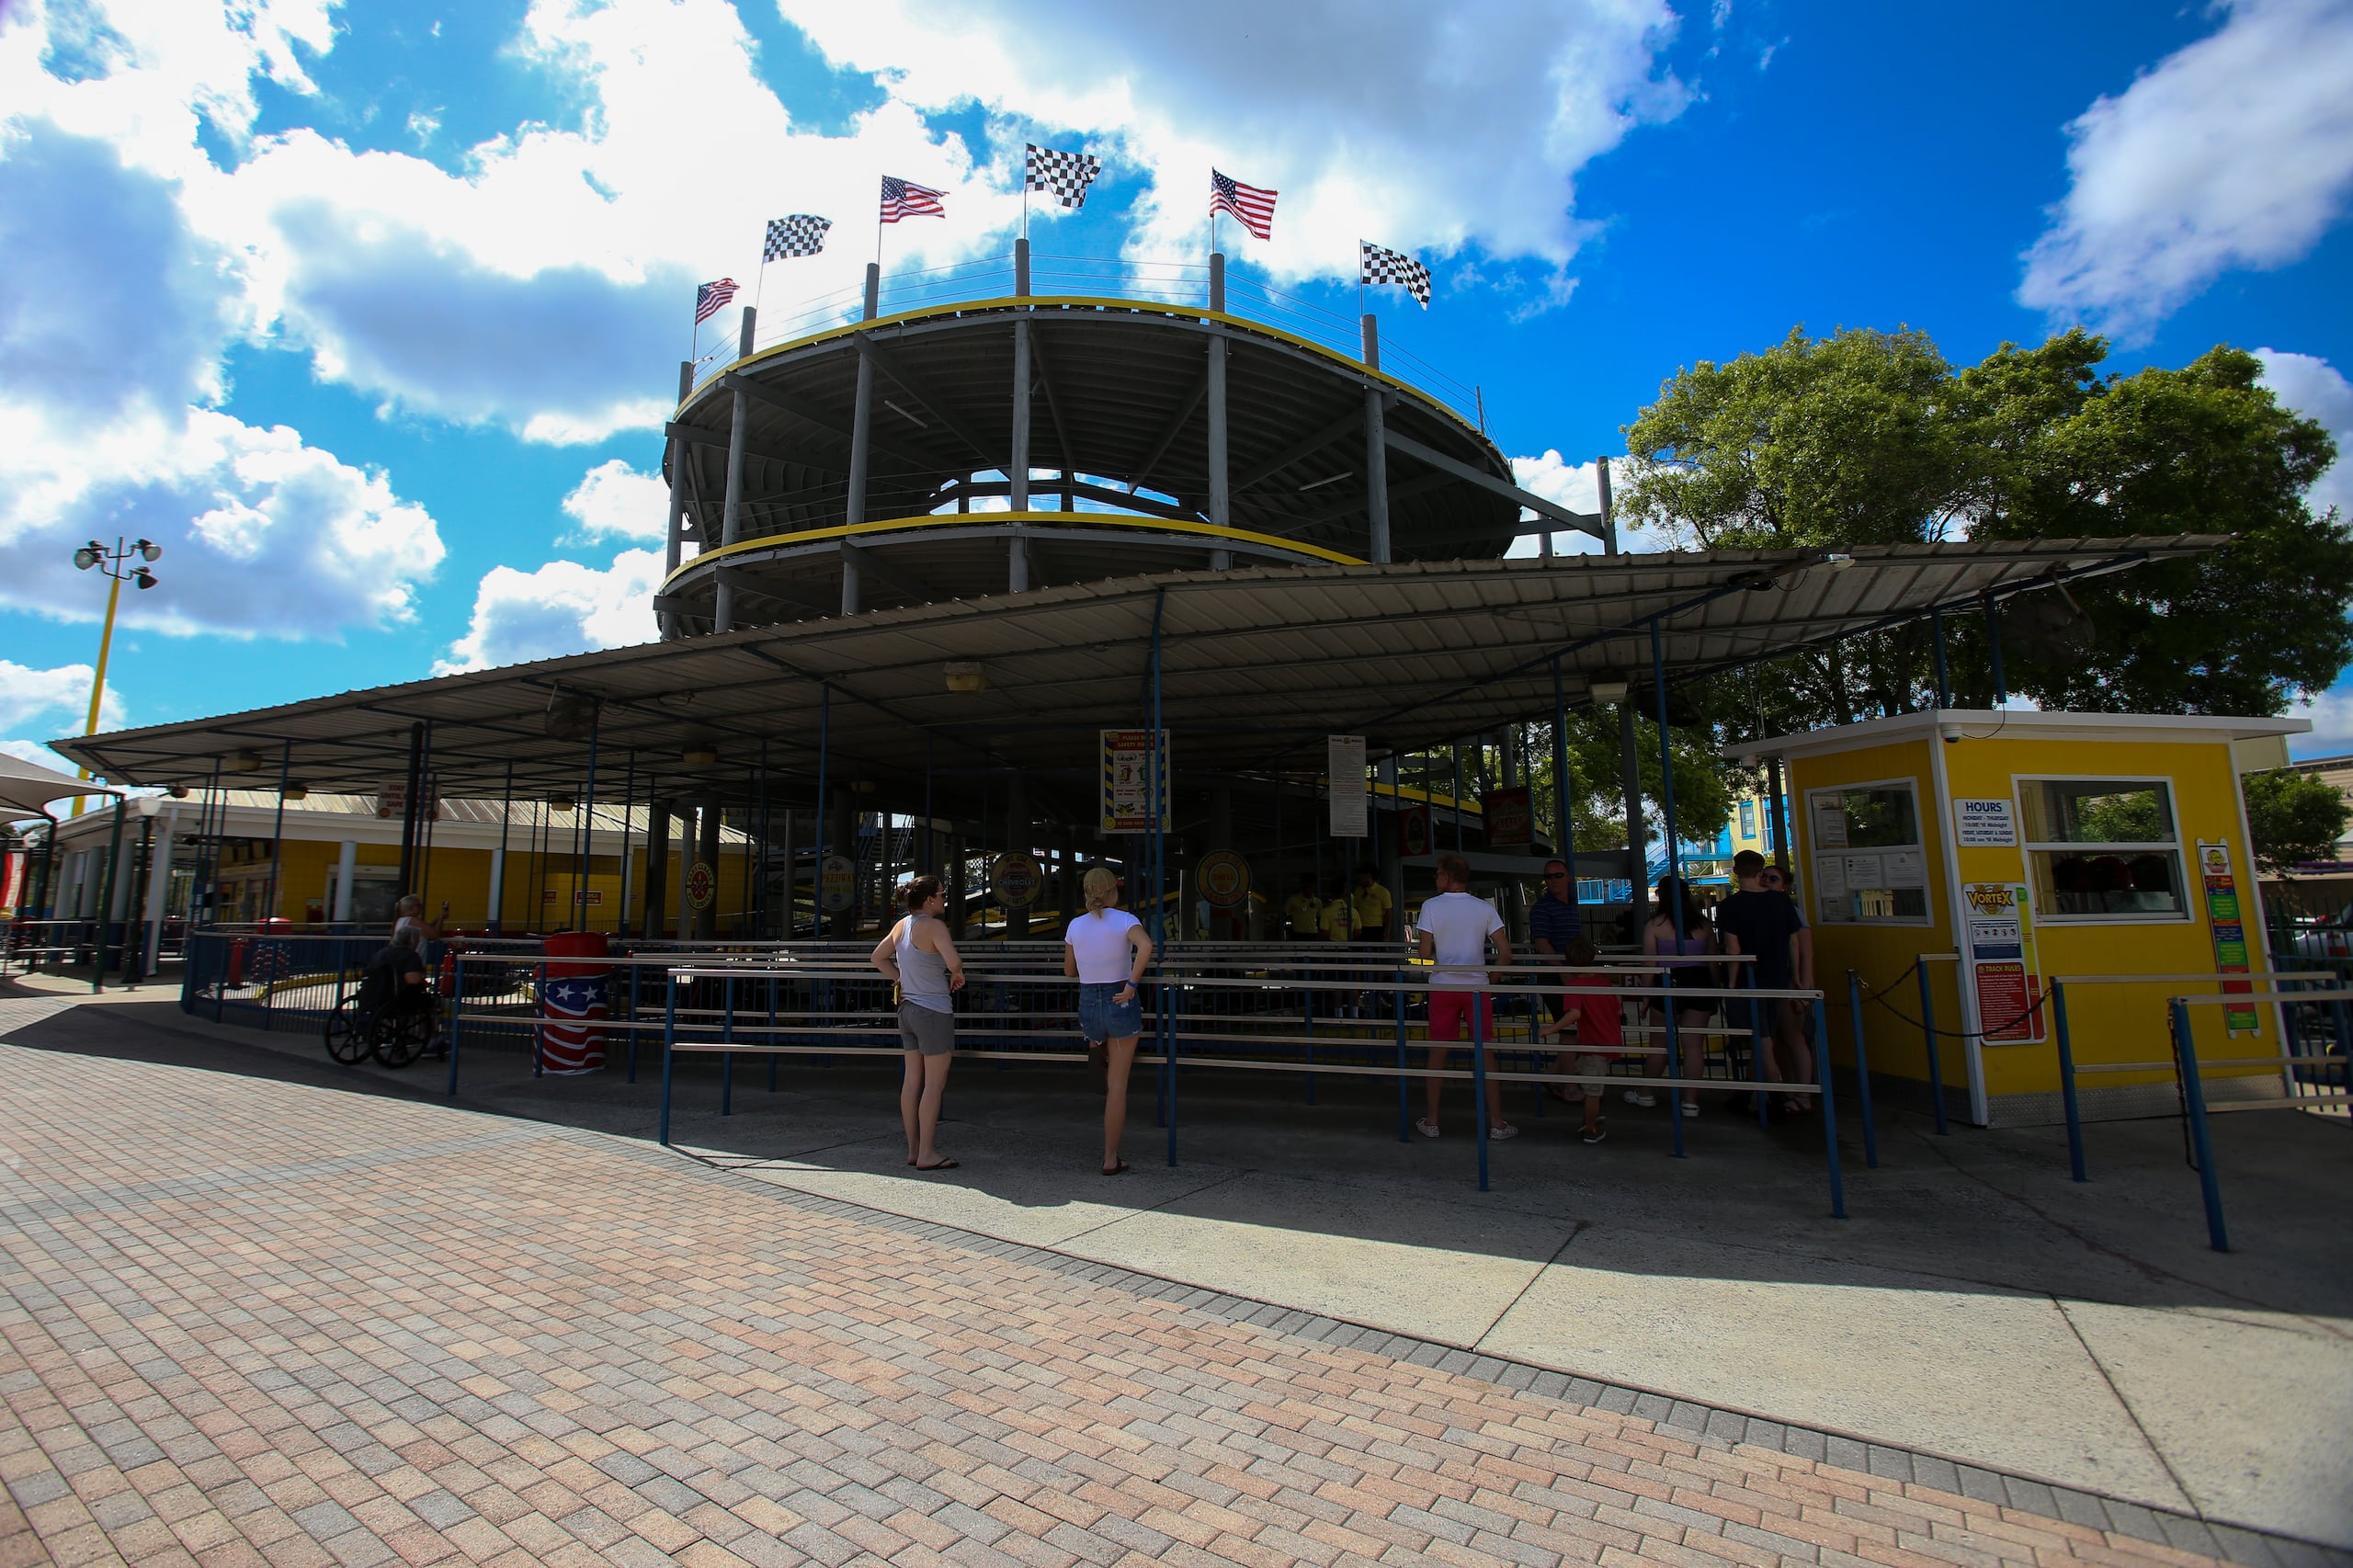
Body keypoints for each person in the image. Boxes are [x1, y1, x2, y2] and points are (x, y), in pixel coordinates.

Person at [1414, 854, 1516, 1141]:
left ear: (1447, 876)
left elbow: (1424, 952)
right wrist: (1490, 980)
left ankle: (1432, 1121)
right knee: (1485, 1054)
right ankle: (1496, 1123)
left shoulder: (1431, 906)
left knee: (1438, 1053)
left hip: (1443, 987)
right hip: (1476, 988)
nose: (1436, 879)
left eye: (1438, 874)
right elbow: (1505, 953)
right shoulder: (1484, 908)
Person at [870, 875, 965, 1170]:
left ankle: (913, 1149)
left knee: (912, 1081)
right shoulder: (934, 926)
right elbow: (953, 961)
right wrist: (957, 974)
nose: (945, 899)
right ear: (929, 900)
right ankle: (927, 1153)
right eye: (942, 894)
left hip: (907, 1009)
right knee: (934, 1085)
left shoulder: (901, 926)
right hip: (933, 1010)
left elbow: (877, 957)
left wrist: (899, 978)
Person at [1066, 866, 1154, 1175]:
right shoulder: (1126, 920)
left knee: (1100, 1046)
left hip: (1089, 1001)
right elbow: (1146, 946)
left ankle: (1096, 1052)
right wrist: (1131, 984)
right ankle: (1110, 1158)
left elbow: (1069, 971)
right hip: (1120, 999)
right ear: (1113, 892)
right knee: (1118, 1086)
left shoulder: (1075, 925)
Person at [1719, 852, 1813, 1114]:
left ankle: (1777, 1097)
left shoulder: (1730, 906)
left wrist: (1732, 983)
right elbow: (1793, 942)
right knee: (1766, 1037)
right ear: (1760, 871)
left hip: (1749, 980)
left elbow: (1733, 948)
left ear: (1736, 871)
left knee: (1761, 1042)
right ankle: (1750, 1095)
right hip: (1777, 978)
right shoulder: (1781, 901)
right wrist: (1795, 976)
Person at [1634, 874, 1715, 1115]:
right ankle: (1690, 1101)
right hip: (1699, 983)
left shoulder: (1655, 926)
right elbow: (1713, 962)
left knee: (1660, 1044)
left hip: (1667, 982)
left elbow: (1650, 965)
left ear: (1661, 896)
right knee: (1693, 1046)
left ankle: (1646, 1093)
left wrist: (1646, 995)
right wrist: (1717, 991)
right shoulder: (1704, 925)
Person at [1537, 935, 1620, 1143]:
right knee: (1591, 1082)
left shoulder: (1574, 987)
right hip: (1610, 1041)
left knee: (1592, 1092)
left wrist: (1551, 1029)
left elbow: (1574, 1014)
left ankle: (1590, 1128)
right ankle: (1591, 1117)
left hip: (1593, 1045)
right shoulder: (1604, 983)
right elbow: (1618, 1010)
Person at [1528, 858, 1582, 1046]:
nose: (1553, 880)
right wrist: (1563, 972)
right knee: (1569, 1029)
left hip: (1575, 972)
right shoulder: (1541, 908)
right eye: (1548, 876)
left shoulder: (1572, 904)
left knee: (1576, 1029)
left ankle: (1566, 1064)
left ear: (1568, 877)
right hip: (1554, 976)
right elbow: (1541, 943)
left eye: (1558, 875)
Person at [356, 923, 430, 1033]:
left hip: (372, 996)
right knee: (428, 1002)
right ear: (412, 941)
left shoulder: (381, 953)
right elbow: (413, 980)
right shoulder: (411, 955)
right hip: (396, 998)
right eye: (417, 941)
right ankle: (429, 1036)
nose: (418, 943)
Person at [1350, 864, 1393, 943]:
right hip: (1360, 927)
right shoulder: (1358, 891)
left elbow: (1388, 914)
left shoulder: (1383, 892)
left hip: (1376, 928)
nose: (1359, 880)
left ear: (1368, 876)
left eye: (1361, 877)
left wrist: (1387, 935)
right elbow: (1355, 909)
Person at [1283, 874, 1322, 941]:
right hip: (1297, 935)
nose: (1308, 888)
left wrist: (1319, 933)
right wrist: (1288, 930)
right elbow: (1283, 915)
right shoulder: (1293, 900)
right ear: (1302, 886)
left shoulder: (1318, 902)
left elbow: (1319, 918)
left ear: (1314, 886)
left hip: (1312, 935)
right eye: (1306, 885)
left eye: (1310, 885)